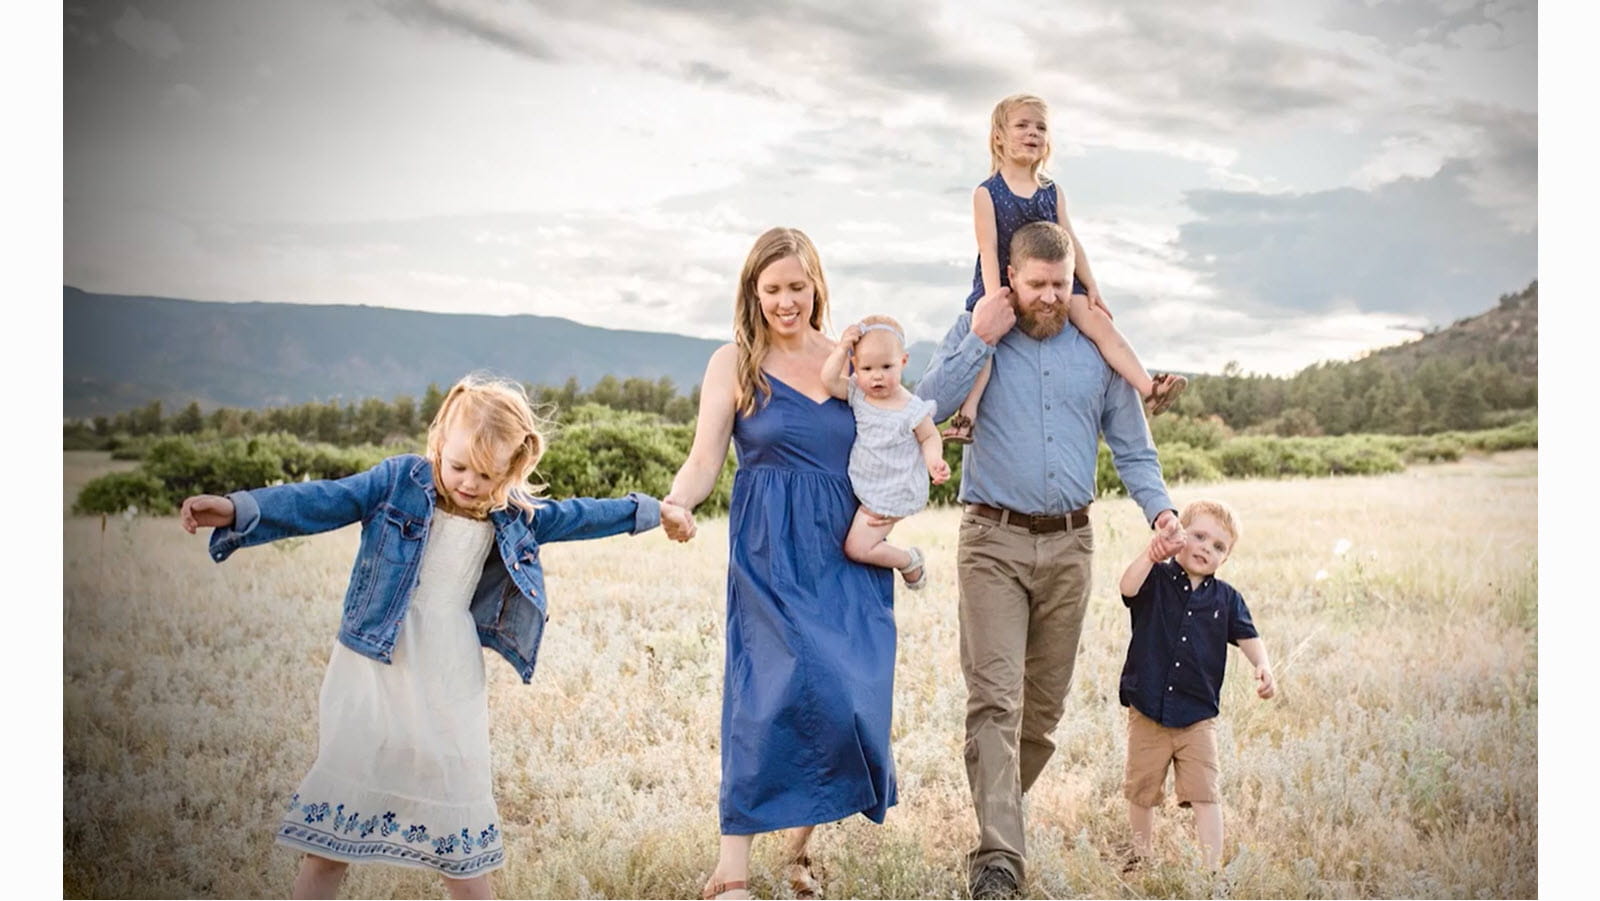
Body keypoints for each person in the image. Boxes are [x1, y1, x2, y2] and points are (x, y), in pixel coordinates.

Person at [179, 373, 693, 899]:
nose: (470, 482)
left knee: (457, 803)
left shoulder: (513, 515)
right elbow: (323, 499)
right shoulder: (397, 481)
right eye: (459, 466)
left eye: (488, 474)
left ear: (513, 469)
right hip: (375, 662)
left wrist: (653, 511)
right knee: (335, 824)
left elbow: (582, 515)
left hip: (449, 667)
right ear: (439, 443)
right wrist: (239, 508)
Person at [915, 220, 1181, 900]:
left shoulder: (1094, 349)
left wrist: (1161, 510)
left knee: (1043, 712)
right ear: (1011, 277)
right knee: (995, 700)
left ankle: (993, 809)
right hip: (992, 541)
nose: (1049, 298)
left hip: (1071, 544)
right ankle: (1000, 860)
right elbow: (924, 409)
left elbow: (1132, 445)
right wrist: (979, 337)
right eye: (1036, 285)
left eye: (1060, 285)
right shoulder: (978, 327)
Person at [664, 227, 899, 901]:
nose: (786, 301)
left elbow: (895, 428)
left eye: (797, 286)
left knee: (846, 701)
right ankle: (730, 870)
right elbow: (705, 457)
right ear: (753, 292)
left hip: (847, 546)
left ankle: (801, 850)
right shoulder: (732, 362)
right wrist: (679, 502)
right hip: (769, 546)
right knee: (764, 696)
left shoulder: (852, 359)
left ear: (816, 285)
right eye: (772, 289)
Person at [941, 92, 1185, 445]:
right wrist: (996, 299)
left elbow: (1071, 241)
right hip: (1002, 281)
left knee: (1098, 321)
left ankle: (1149, 387)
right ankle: (967, 415)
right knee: (986, 334)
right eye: (1022, 125)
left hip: (1053, 283)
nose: (1032, 133)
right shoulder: (987, 193)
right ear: (998, 135)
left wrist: (1092, 286)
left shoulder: (1051, 190)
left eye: (1040, 127)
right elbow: (988, 249)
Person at [1117, 499, 1274, 874]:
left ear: (1226, 558)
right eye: (1199, 536)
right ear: (1179, 536)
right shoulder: (1154, 580)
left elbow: (1249, 636)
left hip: (1197, 717)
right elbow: (1126, 587)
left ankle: (1211, 869)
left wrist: (1263, 664)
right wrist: (1151, 555)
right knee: (1142, 790)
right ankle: (1142, 856)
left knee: (1206, 793)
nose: (1206, 547)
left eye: (1219, 546)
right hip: (1149, 710)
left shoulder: (1227, 599)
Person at [820, 313, 951, 590]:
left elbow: (929, 437)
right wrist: (842, 348)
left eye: (886, 367)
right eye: (867, 369)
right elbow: (829, 381)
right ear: (854, 366)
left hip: (892, 488)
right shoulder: (858, 392)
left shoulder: (912, 407)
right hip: (865, 481)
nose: (877, 376)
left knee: (857, 548)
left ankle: (908, 560)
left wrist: (934, 461)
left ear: (903, 362)